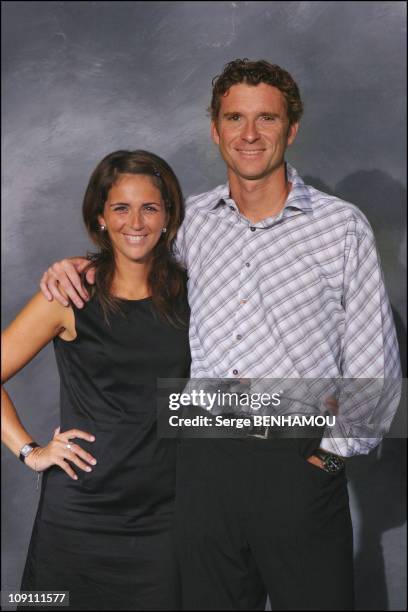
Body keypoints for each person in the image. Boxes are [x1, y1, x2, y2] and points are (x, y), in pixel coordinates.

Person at [38, 59, 401, 610]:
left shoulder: (341, 227)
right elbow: (131, 265)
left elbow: (376, 372)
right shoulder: (192, 225)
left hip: (296, 459)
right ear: (215, 129)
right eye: (235, 117)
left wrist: (327, 461)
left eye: (266, 119)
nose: (249, 134)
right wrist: (74, 267)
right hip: (200, 467)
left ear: (292, 129)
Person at [2, 150, 191, 610]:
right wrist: (30, 451)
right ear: (101, 217)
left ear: (168, 216)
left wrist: (326, 424)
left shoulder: (194, 293)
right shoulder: (69, 294)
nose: (136, 222)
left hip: (165, 519)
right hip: (78, 517)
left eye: (150, 207)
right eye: (121, 208)